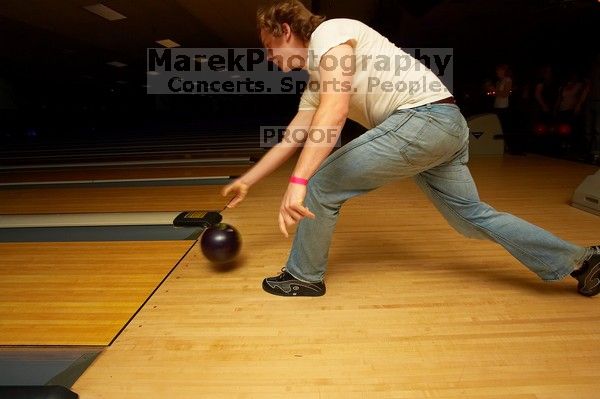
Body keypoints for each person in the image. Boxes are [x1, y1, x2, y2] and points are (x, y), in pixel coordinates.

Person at [222, 0, 599, 297]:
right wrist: (249, 181)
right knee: (471, 218)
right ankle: (582, 260)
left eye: (270, 47)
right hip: (444, 126)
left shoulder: (328, 33)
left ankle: (303, 276)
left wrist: (300, 180)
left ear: (286, 29)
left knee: (320, 182)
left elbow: (335, 112)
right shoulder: (318, 80)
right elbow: (295, 135)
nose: (270, 58)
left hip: (422, 121)